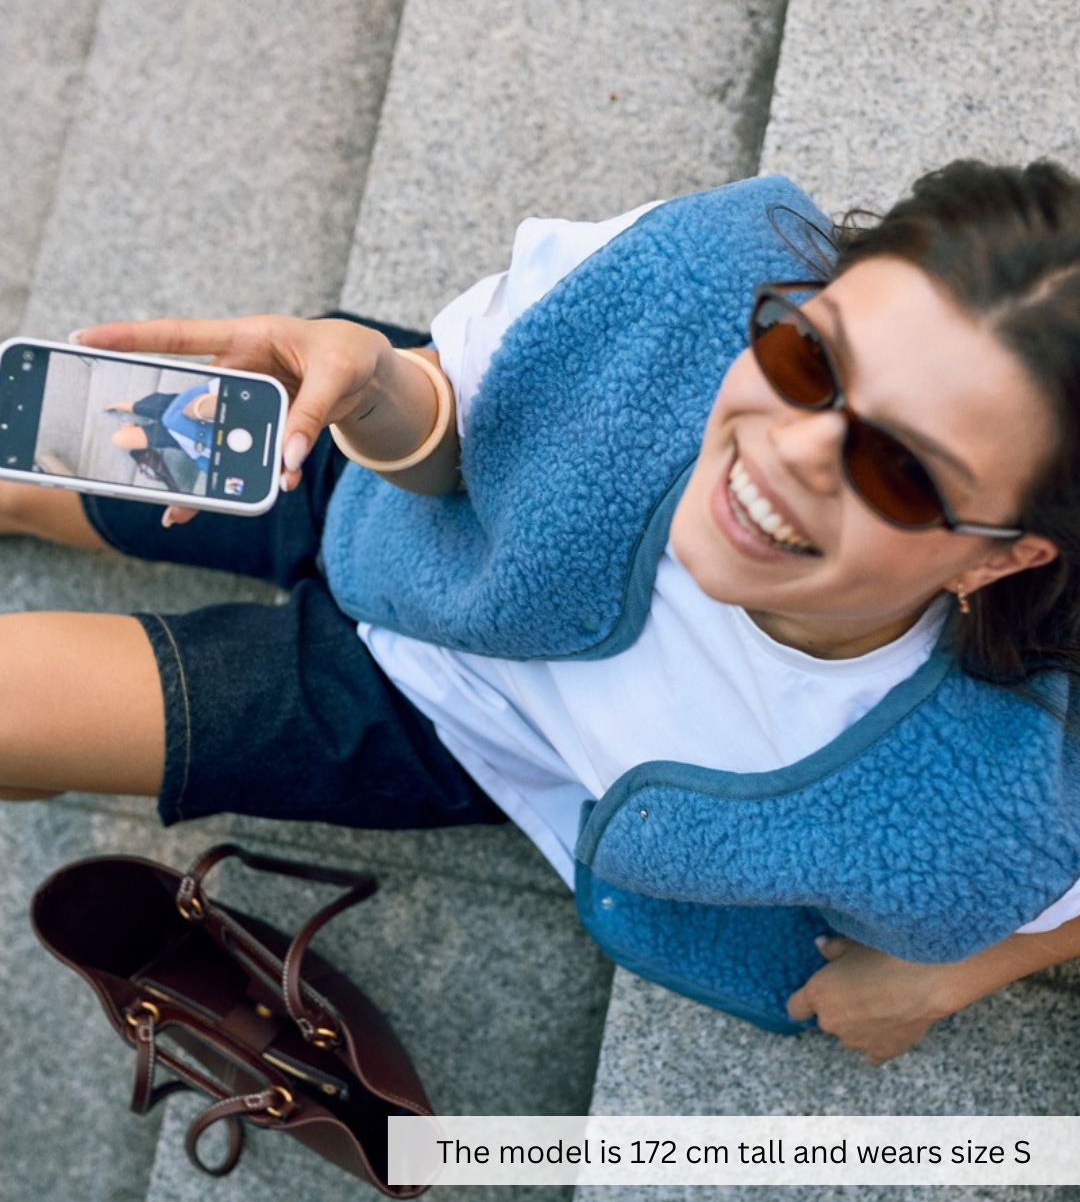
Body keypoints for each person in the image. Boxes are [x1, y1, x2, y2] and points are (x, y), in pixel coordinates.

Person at [2, 159, 1078, 1066]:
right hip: (426, 490)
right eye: (808, 355)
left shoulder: (985, 799)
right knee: (30, 451)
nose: (787, 449)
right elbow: (454, 425)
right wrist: (380, 388)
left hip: (439, 733)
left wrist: (952, 975)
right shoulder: (689, 282)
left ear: (1004, 560)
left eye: (897, 470)